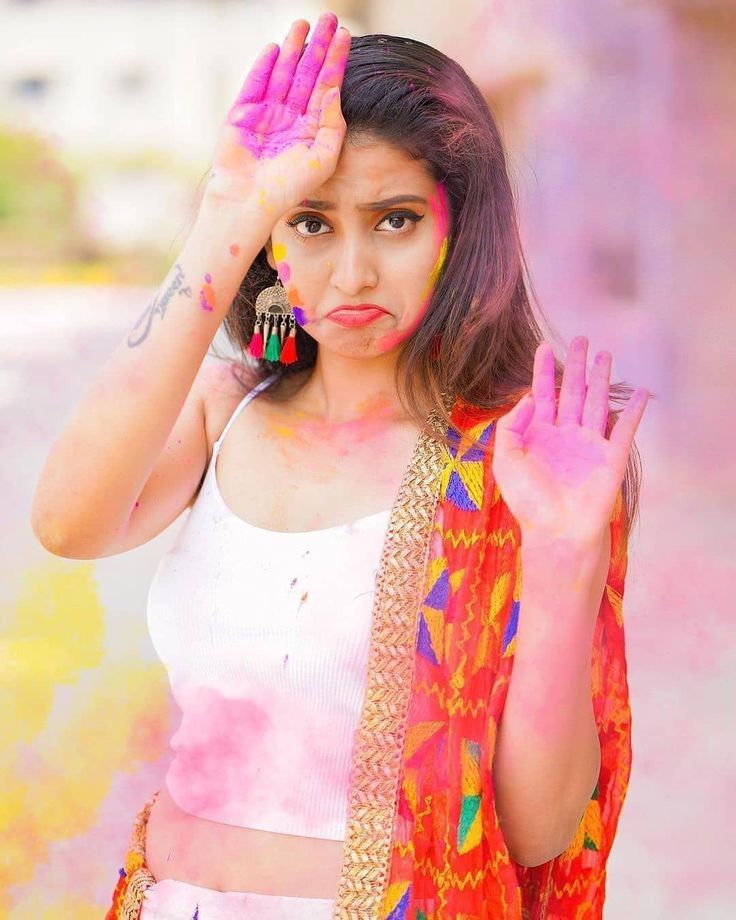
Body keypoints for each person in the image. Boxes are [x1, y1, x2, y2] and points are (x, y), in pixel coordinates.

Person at [31, 10, 649, 919]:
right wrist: (228, 214)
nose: (352, 272)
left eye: (395, 220)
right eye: (311, 224)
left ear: (459, 232)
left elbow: (538, 831)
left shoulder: (515, 464)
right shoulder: (222, 410)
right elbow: (67, 523)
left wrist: (565, 564)